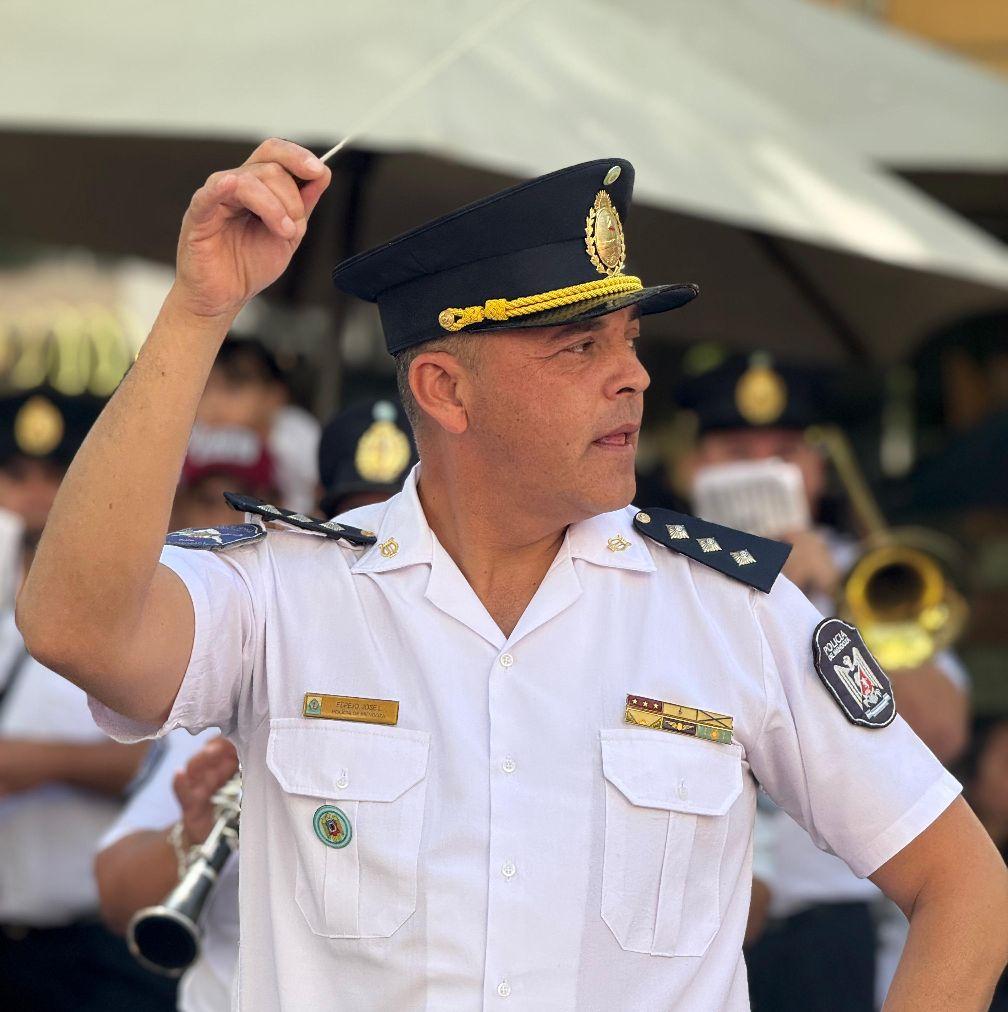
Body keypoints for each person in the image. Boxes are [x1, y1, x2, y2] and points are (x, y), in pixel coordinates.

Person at [16, 140, 1008, 1011]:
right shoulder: (285, 593)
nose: (634, 375)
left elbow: (965, 886)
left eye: (630, 339)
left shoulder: (732, 612)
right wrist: (199, 311)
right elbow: (74, 629)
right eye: (580, 346)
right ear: (444, 389)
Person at [674, 353, 971, 1009]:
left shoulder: (868, 579)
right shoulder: (649, 572)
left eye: (784, 454)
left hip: (828, 924)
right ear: (692, 466)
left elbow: (943, 732)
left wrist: (825, 605)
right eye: (738, 452)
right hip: (687, 928)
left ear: (815, 468)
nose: (764, 471)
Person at [95, 403, 414, 1011]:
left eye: (404, 524)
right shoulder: (252, 654)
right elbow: (115, 891)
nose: (382, 550)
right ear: (319, 518)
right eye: (358, 521)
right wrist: (190, 838)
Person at [0, 388, 176, 1011]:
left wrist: (39, 764)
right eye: (15, 476)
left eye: (56, 476)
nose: (34, 496)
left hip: (88, 949)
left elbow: (166, 765)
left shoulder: (139, 617)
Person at [196, 335, 320, 514]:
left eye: (232, 388)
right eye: (205, 388)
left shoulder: (296, 433)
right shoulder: (189, 434)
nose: (214, 401)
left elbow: (315, 497)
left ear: (273, 396)